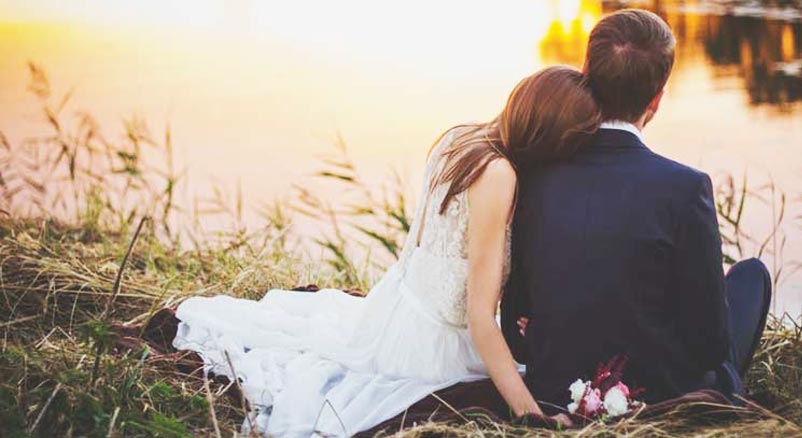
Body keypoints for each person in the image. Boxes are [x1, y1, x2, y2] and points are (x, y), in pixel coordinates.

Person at [172, 66, 600, 436]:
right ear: (551, 140)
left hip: (395, 307)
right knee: (530, 384)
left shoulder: (462, 137)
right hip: (431, 345)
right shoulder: (498, 175)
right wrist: (530, 416)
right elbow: (479, 317)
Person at [501, 9, 772, 412]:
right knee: (751, 277)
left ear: (586, 74)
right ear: (657, 99)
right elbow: (709, 346)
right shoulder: (685, 188)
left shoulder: (532, 176)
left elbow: (515, 325)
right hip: (657, 392)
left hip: (554, 388)